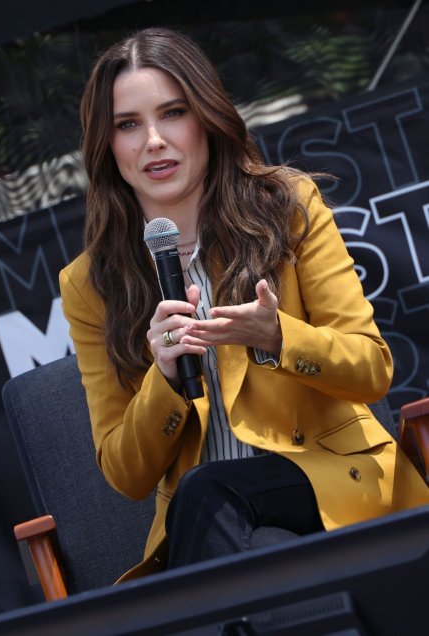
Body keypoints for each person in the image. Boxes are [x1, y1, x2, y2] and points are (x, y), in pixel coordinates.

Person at [59, 27, 429, 583]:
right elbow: (126, 474)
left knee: (208, 491)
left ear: (206, 118)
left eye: (173, 113)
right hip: (211, 516)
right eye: (128, 125)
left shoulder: (287, 206)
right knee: (211, 497)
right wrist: (163, 375)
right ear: (106, 146)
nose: (154, 141)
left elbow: (372, 369)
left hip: (325, 478)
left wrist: (278, 338)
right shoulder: (89, 283)